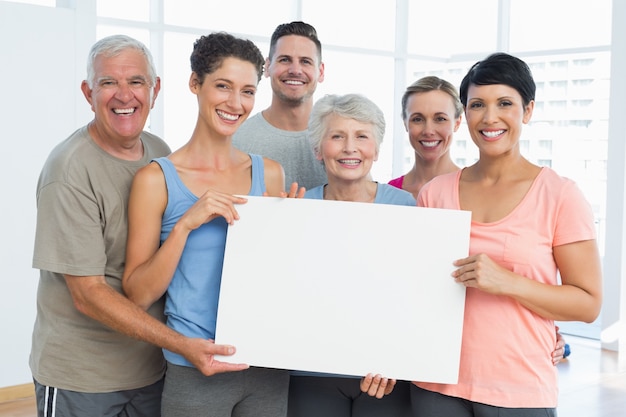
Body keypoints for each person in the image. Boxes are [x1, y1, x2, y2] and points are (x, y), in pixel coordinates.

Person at [30, 34, 242, 417]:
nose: (124, 95)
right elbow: (88, 294)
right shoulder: (69, 170)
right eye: (109, 82)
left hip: (150, 372)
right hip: (83, 376)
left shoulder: (161, 155)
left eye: (136, 82)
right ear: (87, 92)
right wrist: (182, 344)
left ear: (155, 89)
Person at [412, 53, 602, 416]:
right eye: (477, 105)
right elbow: (417, 289)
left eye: (505, 103)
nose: (490, 117)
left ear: (527, 111)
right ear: (464, 114)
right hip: (434, 385)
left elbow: (589, 303)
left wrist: (507, 282)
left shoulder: (560, 195)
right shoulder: (434, 194)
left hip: (519, 389)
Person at [122, 32, 289, 417]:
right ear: (195, 84)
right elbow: (138, 295)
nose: (235, 103)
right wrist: (185, 225)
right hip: (195, 366)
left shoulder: (272, 175)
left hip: (266, 364)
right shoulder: (156, 180)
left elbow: (278, 278)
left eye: (247, 91)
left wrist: (291, 232)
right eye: (223, 86)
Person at [389, 75, 568, 364]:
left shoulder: (480, 192)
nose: (429, 130)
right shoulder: (387, 197)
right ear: (405, 123)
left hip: (478, 357)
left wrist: (551, 334)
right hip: (413, 349)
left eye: (440, 118)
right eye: (418, 119)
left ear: (458, 122)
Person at [287, 93, 414, 417]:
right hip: (311, 371)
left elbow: (414, 298)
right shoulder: (296, 209)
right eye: (337, 136)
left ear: (377, 148)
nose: (349, 147)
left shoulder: (406, 208)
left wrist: (397, 359)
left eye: (361, 136)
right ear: (318, 149)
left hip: (384, 375)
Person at [233, 21, 327, 190]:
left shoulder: (338, 142)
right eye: (285, 60)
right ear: (267, 67)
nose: (295, 70)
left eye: (305, 61)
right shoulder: (237, 140)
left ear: (320, 72)